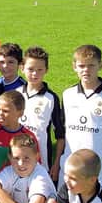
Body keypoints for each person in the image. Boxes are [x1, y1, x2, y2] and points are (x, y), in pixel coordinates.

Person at [58, 45, 102, 197]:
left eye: (91, 66)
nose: (86, 70)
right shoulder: (68, 94)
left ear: (100, 65)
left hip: (98, 162)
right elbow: (63, 127)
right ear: (74, 66)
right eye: (81, 66)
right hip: (69, 160)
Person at [16, 46, 65, 175]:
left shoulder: (51, 98)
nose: (35, 74)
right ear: (22, 68)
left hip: (41, 164)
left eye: (39, 70)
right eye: (30, 69)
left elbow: (60, 136)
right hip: (16, 161)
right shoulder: (16, 94)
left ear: (46, 70)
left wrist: (56, 164)